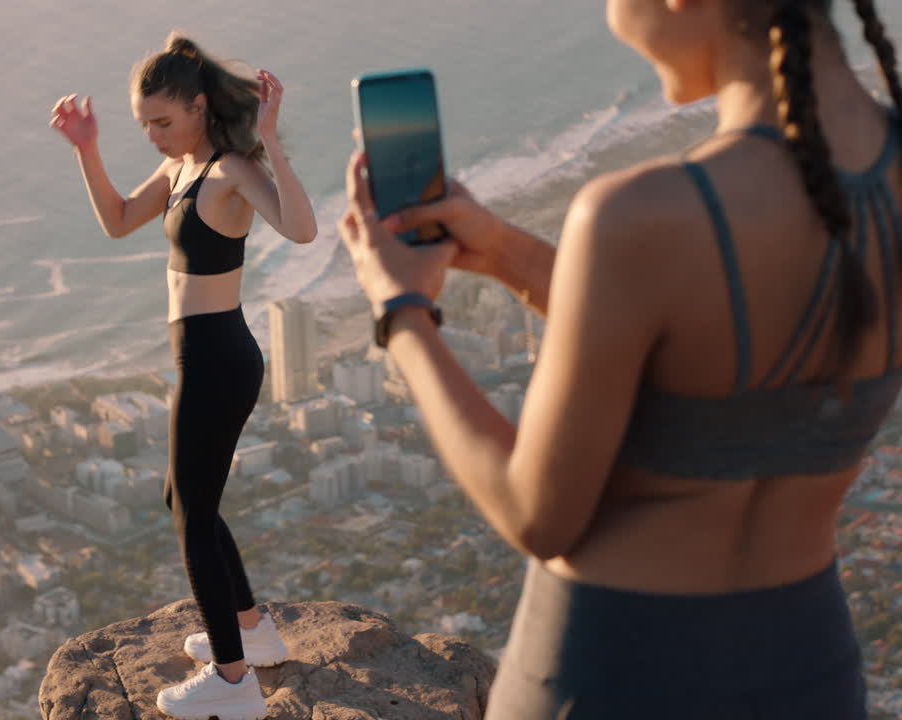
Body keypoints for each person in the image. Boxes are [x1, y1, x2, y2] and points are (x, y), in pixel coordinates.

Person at [337, 1, 900, 717]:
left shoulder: (641, 213)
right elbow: (716, 348)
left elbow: (536, 515)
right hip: (809, 673)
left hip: (614, 676)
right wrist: (507, 252)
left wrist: (402, 313)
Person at [51, 31, 318, 720]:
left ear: (199, 108)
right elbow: (115, 222)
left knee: (192, 512)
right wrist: (88, 150)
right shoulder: (179, 173)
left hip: (219, 359)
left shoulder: (230, 171)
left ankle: (233, 683)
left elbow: (302, 229)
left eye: (163, 123)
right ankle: (252, 632)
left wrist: (272, 141)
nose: (154, 137)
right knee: (184, 498)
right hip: (199, 358)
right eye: (144, 125)